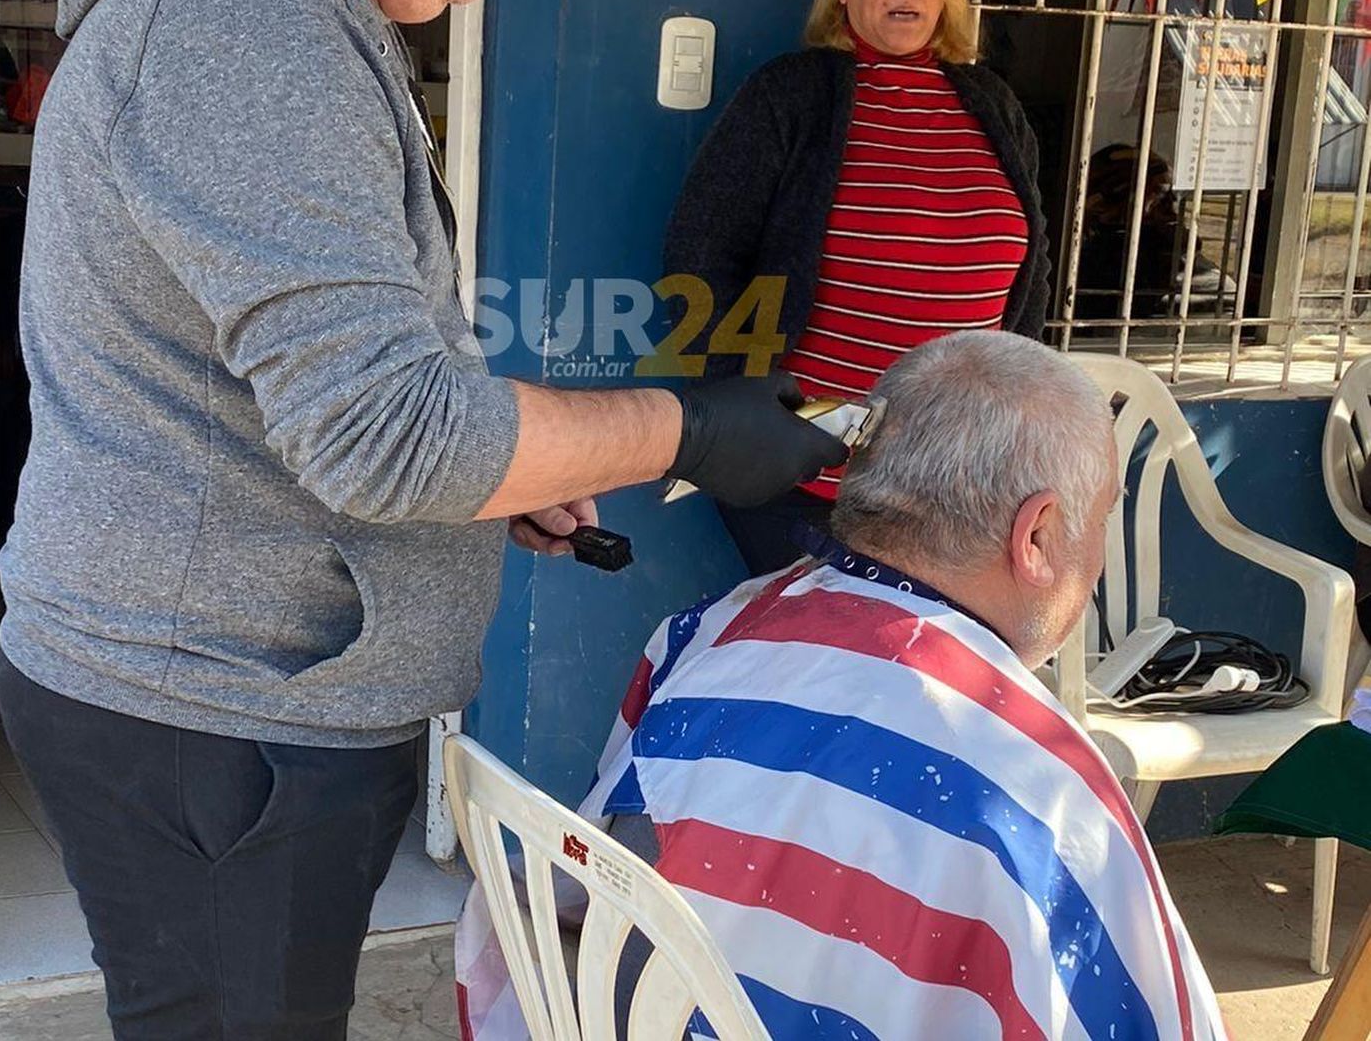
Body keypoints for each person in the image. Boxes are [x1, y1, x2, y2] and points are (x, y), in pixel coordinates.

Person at [0, 0, 845, 1037]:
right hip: (216, 722)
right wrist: (690, 426)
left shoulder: (282, 8)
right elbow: (391, 434)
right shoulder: (245, 28)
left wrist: (500, 470)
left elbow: (338, 392)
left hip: (230, 700)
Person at [457, 332, 1229, 1041]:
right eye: (1100, 518)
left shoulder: (702, 636)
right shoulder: (1046, 796)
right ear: (1035, 535)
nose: (1095, 560)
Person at [664, 0, 1052, 577]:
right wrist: (745, 414)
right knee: (826, 677)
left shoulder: (993, 107)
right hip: (808, 492)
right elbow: (699, 258)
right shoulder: (791, 96)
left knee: (926, 681)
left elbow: (1033, 281)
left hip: (958, 488)